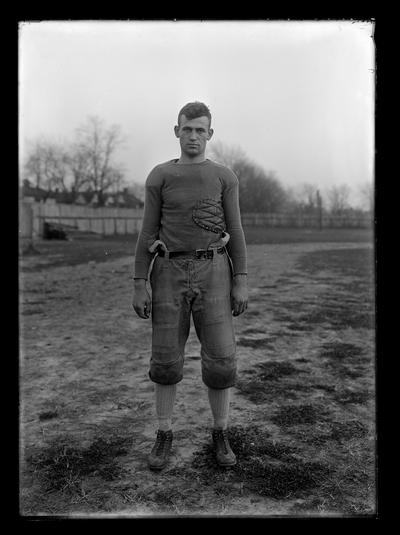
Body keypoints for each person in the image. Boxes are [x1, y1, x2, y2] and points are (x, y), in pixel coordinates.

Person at [132, 101, 248, 471]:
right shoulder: (160, 176)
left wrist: (240, 280)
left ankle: (220, 432)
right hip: (167, 271)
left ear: (210, 134)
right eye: (187, 129)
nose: (193, 136)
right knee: (165, 359)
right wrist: (139, 282)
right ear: (177, 131)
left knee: (221, 358)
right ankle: (164, 434)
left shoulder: (224, 176)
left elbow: (237, 232)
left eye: (200, 129)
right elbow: (147, 232)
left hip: (214, 269)